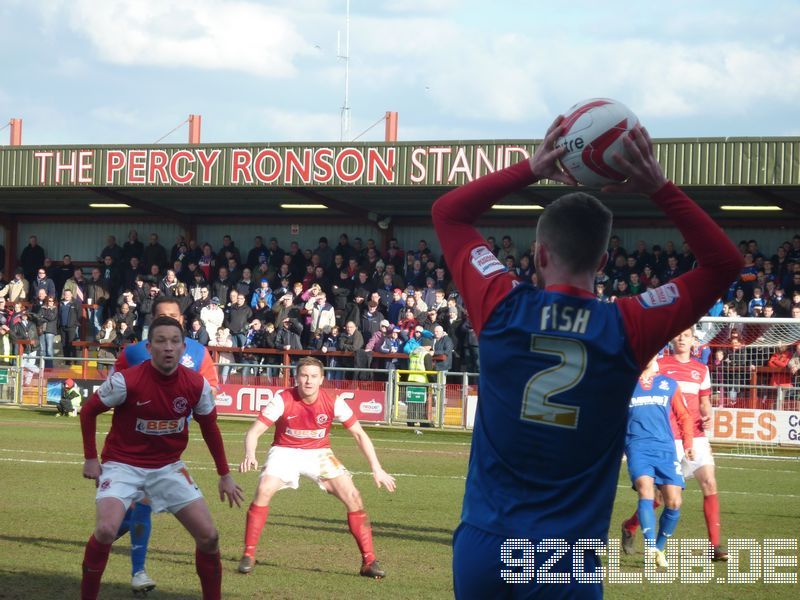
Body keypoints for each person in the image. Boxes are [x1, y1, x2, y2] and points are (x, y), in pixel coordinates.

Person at [434, 118, 742, 598]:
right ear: (602, 263)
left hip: (485, 543)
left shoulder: (500, 304)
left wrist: (531, 168)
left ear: (538, 254)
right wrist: (658, 187)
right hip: (563, 553)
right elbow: (725, 263)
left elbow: (449, 213)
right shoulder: (627, 326)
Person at [79, 316, 244, 600]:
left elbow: (210, 428)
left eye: (174, 341)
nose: (168, 347)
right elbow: (88, 411)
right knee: (106, 530)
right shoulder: (126, 381)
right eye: (161, 341)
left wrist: (224, 474)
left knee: (209, 537)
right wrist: (91, 458)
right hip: (122, 465)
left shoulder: (196, 385)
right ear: (149, 347)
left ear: (183, 348)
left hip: (168, 468)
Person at [237, 357, 396, 578]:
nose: (308, 381)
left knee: (353, 496)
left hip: (319, 453)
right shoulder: (282, 399)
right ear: (296, 378)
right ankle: (248, 554)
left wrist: (377, 468)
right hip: (285, 451)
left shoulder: (333, 399)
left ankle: (369, 562)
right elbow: (254, 431)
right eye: (304, 376)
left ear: (322, 379)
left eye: (313, 376)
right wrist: (250, 454)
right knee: (263, 489)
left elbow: (359, 433)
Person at [110, 295, 220, 593]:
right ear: (152, 321)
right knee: (143, 500)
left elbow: (211, 387)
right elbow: (114, 387)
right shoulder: (134, 354)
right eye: (163, 315)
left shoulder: (198, 352)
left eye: (174, 315)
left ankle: (111, 532)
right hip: (136, 444)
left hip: (171, 443)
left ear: (182, 321)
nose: (170, 319)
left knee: (138, 507)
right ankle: (138, 571)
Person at [622, 328, 729, 561]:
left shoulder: (701, 369)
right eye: (678, 334)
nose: (682, 338)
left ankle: (715, 546)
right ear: (671, 338)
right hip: (667, 438)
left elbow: (704, 402)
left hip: (695, 434)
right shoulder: (658, 364)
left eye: (687, 335)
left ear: (694, 340)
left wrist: (708, 415)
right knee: (662, 498)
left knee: (710, 482)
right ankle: (631, 526)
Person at [623, 357, 693, 567]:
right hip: (637, 446)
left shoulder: (668, 384)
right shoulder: (624, 383)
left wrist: (688, 442)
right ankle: (651, 546)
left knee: (674, 502)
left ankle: (659, 549)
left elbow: (684, 415)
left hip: (665, 449)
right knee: (646, 490)